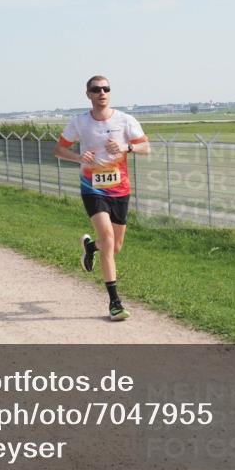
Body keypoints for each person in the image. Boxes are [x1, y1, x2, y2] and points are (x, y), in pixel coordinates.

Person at [53, 75, 150, 321]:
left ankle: (89, 247)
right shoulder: (79, 122)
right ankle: (114, 303)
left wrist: (126, 148)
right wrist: (79, 158)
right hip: (93, 188)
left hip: (120, 189)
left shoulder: (125, 120)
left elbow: (145, 146)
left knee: (114, 246)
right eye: (96, 89)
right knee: (107, 238)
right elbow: (58, 150)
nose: (102, 93)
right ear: (88, 94)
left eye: (106, 89)